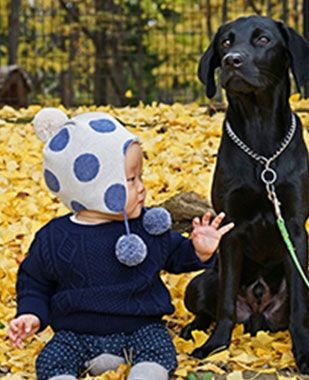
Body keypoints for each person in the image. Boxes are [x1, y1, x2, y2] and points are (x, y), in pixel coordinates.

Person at [8, 108, 234, 380]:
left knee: (159, 348)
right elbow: (35, 282)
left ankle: (145, 374)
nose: (142, 188)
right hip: (75, 334)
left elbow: (175, 254)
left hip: (140, 330)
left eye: (140, 177)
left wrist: (199, 249)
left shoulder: (147, 227)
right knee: (52, 358)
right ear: (95, 186)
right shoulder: (55, 237)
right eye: (130, 180)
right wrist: (31, 314)